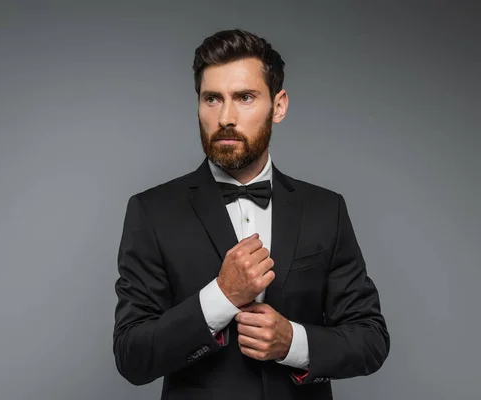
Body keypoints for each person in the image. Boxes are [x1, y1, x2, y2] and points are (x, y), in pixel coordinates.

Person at [113, 29, 389, 400]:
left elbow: (371, 339)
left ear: (278, 106)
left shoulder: (327, 210)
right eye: (212, 98)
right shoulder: (152, 211)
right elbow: (132, 356)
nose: (225, 116)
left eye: (244, 97)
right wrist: (221, 296)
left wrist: (294, 343)